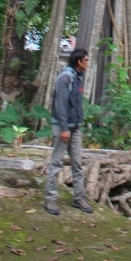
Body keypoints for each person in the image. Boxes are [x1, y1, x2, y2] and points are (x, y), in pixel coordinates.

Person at [44, 47, 94, 215]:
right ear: (79, 61)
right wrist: (64, 129)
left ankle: (78, 197)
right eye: (86, 60)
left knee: (77, 164)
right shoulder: (65, 77)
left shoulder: (78, 77)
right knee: (57, 162)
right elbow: (61, 105)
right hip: (63, 126)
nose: (88, 63)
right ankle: (50, 200)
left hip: (75, 126)